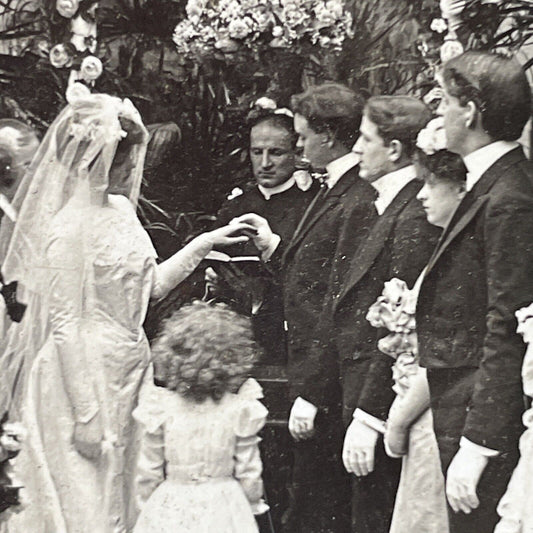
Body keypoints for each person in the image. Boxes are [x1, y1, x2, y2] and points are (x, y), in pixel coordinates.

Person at [0, 88, 254, 533]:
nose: (131, 169)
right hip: (78, 377)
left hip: (129, 367)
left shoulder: (120, 210)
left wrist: (203, 244)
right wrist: (86, 415)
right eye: (123, 160)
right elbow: (65, 325)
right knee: (86, 497)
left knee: (128, 490)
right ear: (90, 161)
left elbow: (150, 287)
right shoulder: (66, 231)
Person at [235, 82, 377, 533]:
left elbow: (339, 301)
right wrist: (276, 248)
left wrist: (312, 391)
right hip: (312, 371)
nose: (296, 147)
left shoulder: (355, 197)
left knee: (318, 504)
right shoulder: (334, 187)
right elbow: (318, 275)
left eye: (301, 137)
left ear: (328, 136)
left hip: (328, 380)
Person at [416, 51, 533, 533]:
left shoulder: (509, 197)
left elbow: (507, 325)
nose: (438, 113)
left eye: (445, 100)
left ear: (470, 110)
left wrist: (478, 443)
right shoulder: (492, 183)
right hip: (461, 406)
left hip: (480, 417)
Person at [336, 95, 439, 533]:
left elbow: (401, 330)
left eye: (364, 138)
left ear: (394, 150)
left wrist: (369, 415)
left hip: (380, 399)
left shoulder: (415, 215)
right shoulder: (386, 204)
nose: (356, 149)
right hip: (360, 390)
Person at [384, 116, 467, 533]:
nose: (421, 196)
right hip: (423, 413)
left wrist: (399, 417)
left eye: (433, 184)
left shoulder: (464, 264)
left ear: (463, 189)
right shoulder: (443, 254)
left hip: (436, 412)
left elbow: (450, 355)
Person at [133, 301, 268, 533]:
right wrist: (252, 504)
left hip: (173, 501)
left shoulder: (161, 408)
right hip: (224, 502)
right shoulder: (238, 409)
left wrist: (148, 507)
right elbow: (249, 469)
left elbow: (148, 470)